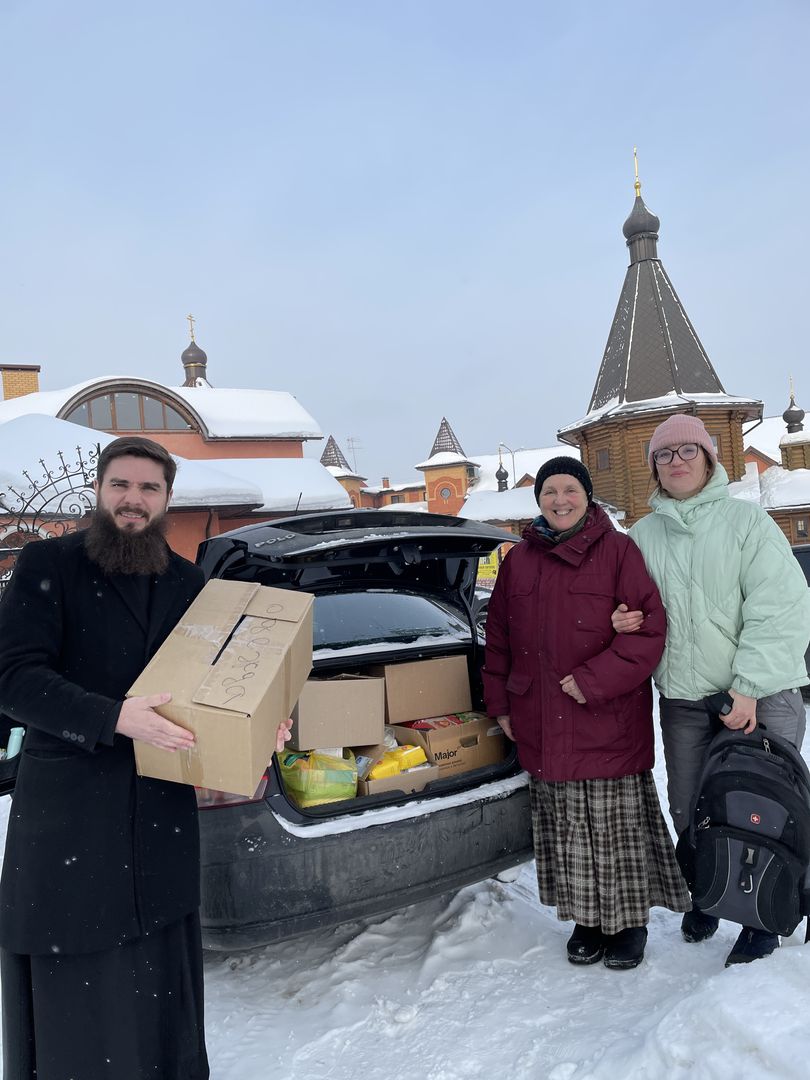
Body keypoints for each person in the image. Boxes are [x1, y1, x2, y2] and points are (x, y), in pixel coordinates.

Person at [0, 436, 292, 1079]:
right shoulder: (49, 563)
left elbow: (216, 690)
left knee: (157, 968)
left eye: (149, 489)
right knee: (81, 975)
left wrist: (259, 724)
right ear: (100, 491)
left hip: (159, 806)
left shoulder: (191, 583)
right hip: (69, 809)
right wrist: (111, 717)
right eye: (121, 486)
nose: (133, 500)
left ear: (166, 500)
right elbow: (14, 679)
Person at [613, 413, 810, 966]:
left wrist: (747, 688)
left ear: (709, 459)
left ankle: (764, 915)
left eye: (687, 451)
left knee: (763, 806)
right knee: (691, 805)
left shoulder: (746, 523)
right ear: (653, 467)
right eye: (665, 454)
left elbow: (781, 607)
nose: (677, 461)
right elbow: (631, 605)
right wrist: (621, 619)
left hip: (762, 693)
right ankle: (707, 890)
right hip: (684, 697)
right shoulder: (642, 536)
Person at [483, 457, 689, 971]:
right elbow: (499, 641)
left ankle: (629, 923)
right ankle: (586, 921)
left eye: (569, 489)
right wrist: (501, 705)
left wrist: (593, 681)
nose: (559, 499)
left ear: (587, 496)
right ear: (539, 501)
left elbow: (648, 632)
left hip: (604, 716)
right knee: (567, 829)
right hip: (541, 717)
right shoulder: (518, 562)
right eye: (549, 491)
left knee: (613, 828)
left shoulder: (619, 551)